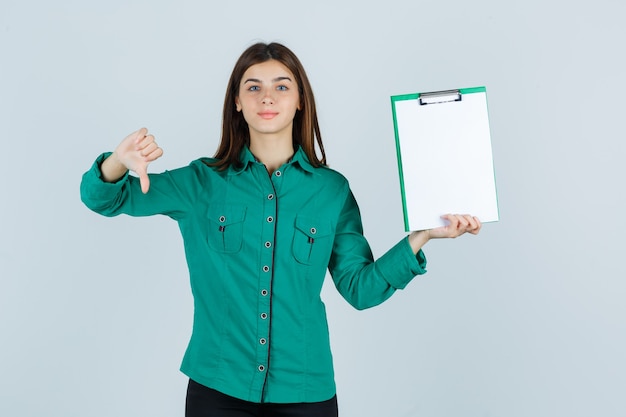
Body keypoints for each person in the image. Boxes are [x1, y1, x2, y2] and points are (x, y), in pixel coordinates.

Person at [80, 42, 481, 417]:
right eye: (253, 87)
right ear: (237, 102)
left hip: (305, 393)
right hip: (217, 389)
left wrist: (420, 238)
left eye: (281, 86)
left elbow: (360, 289)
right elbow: (103, 198)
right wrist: (117, 160)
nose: (266, 97)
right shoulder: (201, 183)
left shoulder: (331, 191)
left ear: (299, 101)